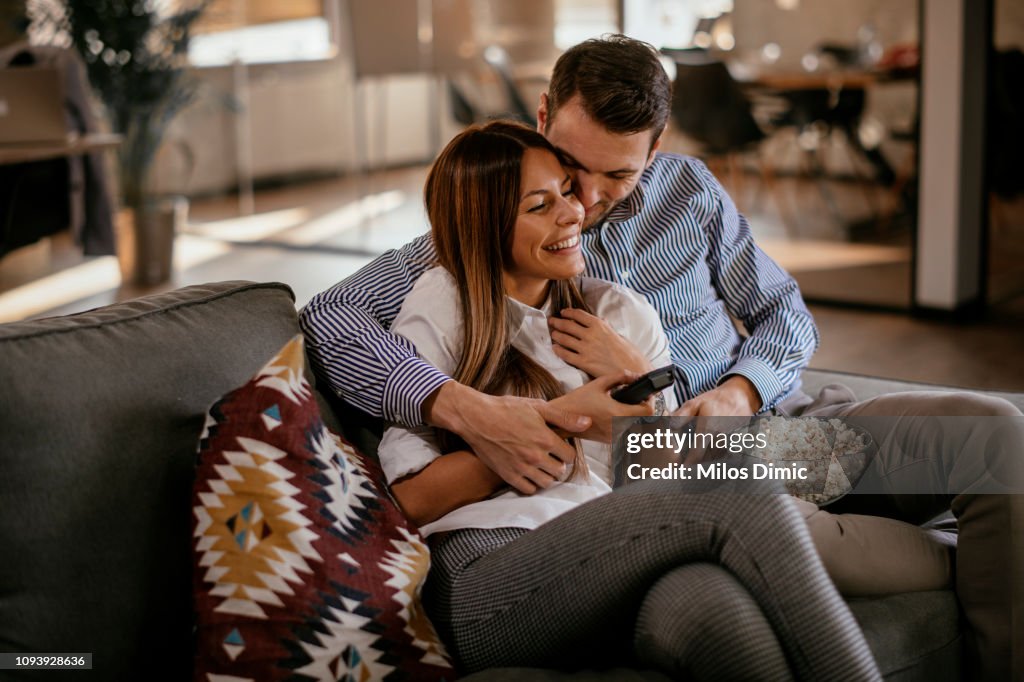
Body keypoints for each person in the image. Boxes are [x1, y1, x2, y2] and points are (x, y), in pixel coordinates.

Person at [301, 35, 1022, 680]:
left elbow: (784, 314)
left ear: (658, 144)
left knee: (994, 437)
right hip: (660, 469)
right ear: (545, 117)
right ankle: (957, 560)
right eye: (572, 169)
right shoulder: (483, 236)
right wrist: (468, 408)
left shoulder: (690, 194)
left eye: (615, 176)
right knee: (722, 502)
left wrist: (740, 392)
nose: (583, 200)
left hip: (763, 441)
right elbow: (327, 315)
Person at [374, 119, 880, 680]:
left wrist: (649, 398)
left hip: (620, 532)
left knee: (710, 605)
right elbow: (414, 500)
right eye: (541, 205)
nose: (575, 212)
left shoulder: (618, 313)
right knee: (743, 492)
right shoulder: (444, 306)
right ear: (486, 227)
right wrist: (563, 421)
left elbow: (656, 470)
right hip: (486, 568)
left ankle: (935, 524)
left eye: (567, 192)